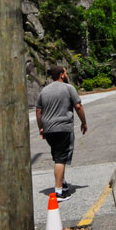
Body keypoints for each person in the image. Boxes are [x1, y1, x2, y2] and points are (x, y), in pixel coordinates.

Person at [36, 65, 88, 201]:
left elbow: (38, 111)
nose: (66, 74)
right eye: (65, 72)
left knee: (57, 155)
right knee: (60, 158)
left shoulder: (44, 91)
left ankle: (63, 184)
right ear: (62, 75)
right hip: (63, 128)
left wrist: (41, 128)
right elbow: (78, 106)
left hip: (49, 130)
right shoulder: (68, 88)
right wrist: (84, 122)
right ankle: (58, 192)